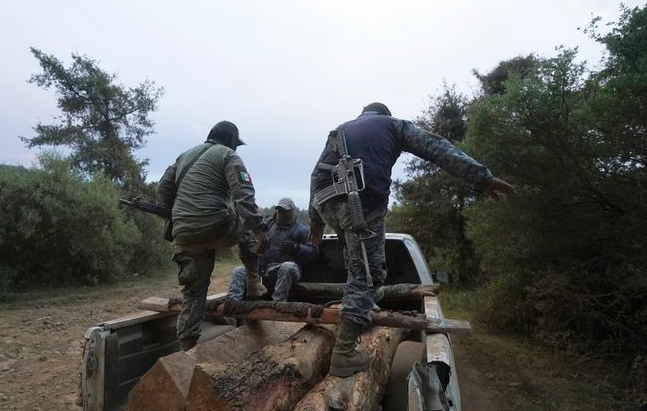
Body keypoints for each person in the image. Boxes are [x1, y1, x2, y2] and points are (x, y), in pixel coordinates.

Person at [308, 102, 516, 377]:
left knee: (355, 258)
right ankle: (344, 354)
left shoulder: (340, 131)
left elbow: (315, 175)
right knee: (369, 274)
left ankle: (361, 305)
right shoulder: (394, 125)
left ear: (364, 114)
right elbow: (437, 148)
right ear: (385, 114)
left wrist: (315, 223)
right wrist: (482, 178)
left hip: (324, 202)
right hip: (361, 201)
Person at [157, 120, 268, 351]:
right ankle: (253, 280)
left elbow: (163, 189)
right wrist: (259, 230)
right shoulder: (228, 155)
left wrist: (178, 215)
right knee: (245, 218)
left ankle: (186, 350)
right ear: (230, 140)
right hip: (214, 225)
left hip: (184, 233)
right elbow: (243, 195)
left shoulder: (184, 156)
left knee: (193, 293)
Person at [227, 197, 319, 302]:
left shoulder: (303, 230)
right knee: (239, 271)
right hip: (264, 269)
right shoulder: (267, 225)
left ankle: (278, 304)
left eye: (286, 211)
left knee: (287, 267)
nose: (282, 213)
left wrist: (296, 248)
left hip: (289, 270)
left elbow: (314, 253)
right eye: (280, 210)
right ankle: (232, 306)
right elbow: (252, 240)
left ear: (293, 212)